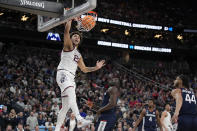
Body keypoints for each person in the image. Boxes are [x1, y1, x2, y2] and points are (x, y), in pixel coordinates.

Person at [55, 20, 105, 131]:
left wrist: (95, 68)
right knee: (72, 91)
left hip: (70, 78)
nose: (77, 38)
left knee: (65, 107)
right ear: (71, 39)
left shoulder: (78, 54)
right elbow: (66, 31)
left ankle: (57, 129)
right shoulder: (68, 46)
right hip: (63, 73)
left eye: (78, 37)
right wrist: (69, 20)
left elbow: (84, 69)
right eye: (75, 36)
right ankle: (79, 118)